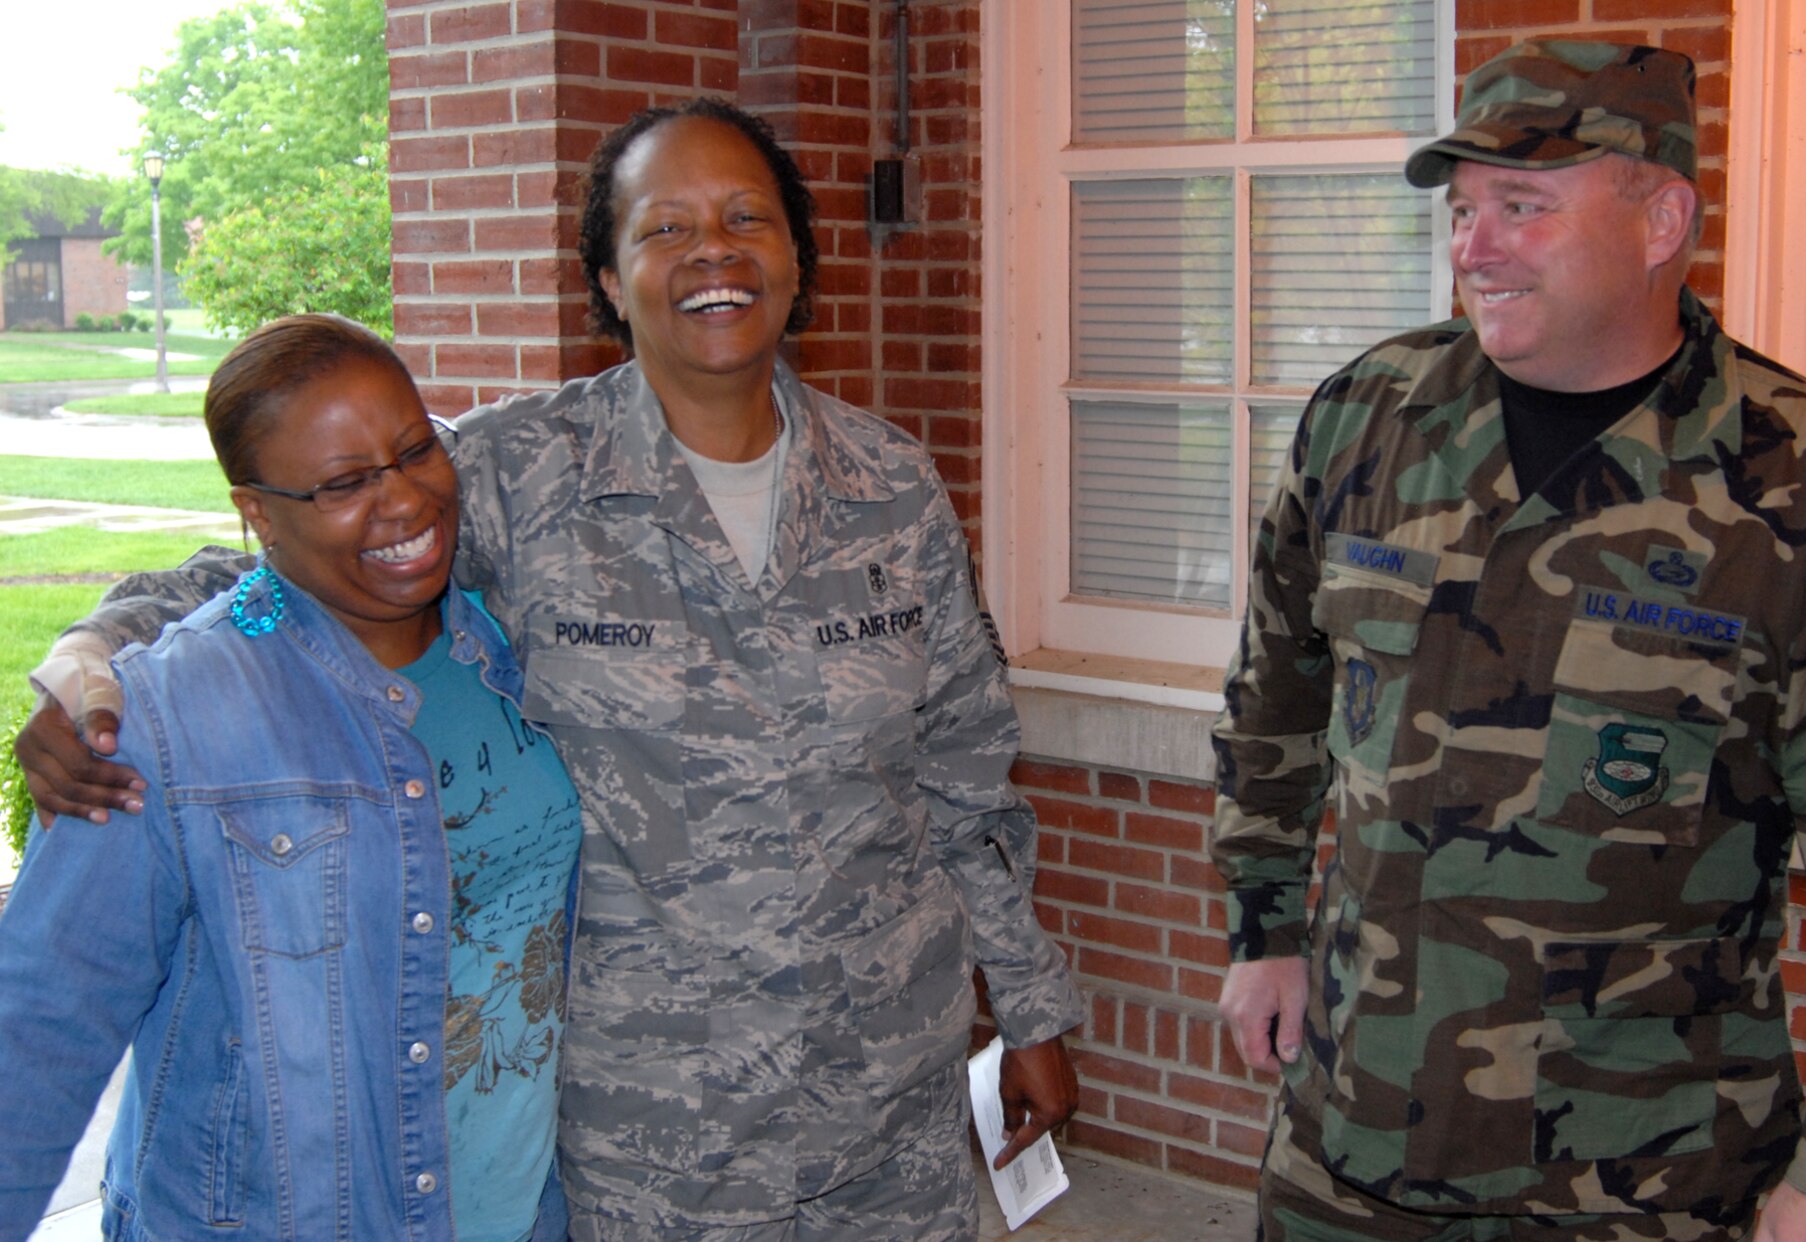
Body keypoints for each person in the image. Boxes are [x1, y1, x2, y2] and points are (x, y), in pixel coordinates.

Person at [16, 100, 1083, 1241]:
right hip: (652, 1130)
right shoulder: (523, 473)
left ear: (793, 257)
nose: (712, 250)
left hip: (889, 1105)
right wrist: (90, 660)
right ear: (611, 282)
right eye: (664, 229)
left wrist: (1026, 1009)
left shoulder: (893, 484)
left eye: (744, 219)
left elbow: (965, 780)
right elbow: (300, 554)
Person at [1210, 40, 1806, 1242]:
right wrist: (1260, 927)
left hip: (1644, 1173)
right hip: (1351, 1141)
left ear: (1661, 218)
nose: (1473, 245)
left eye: (1521, 206)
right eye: (1464, 209)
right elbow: (1274, 696)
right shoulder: (1366, 423)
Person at [0, 315, 581, 1242]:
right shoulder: (166, 718)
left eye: (415, 449)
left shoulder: (510, 649)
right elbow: (36, 1029)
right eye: (345, 483)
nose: (402, 500)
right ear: (257, 512)